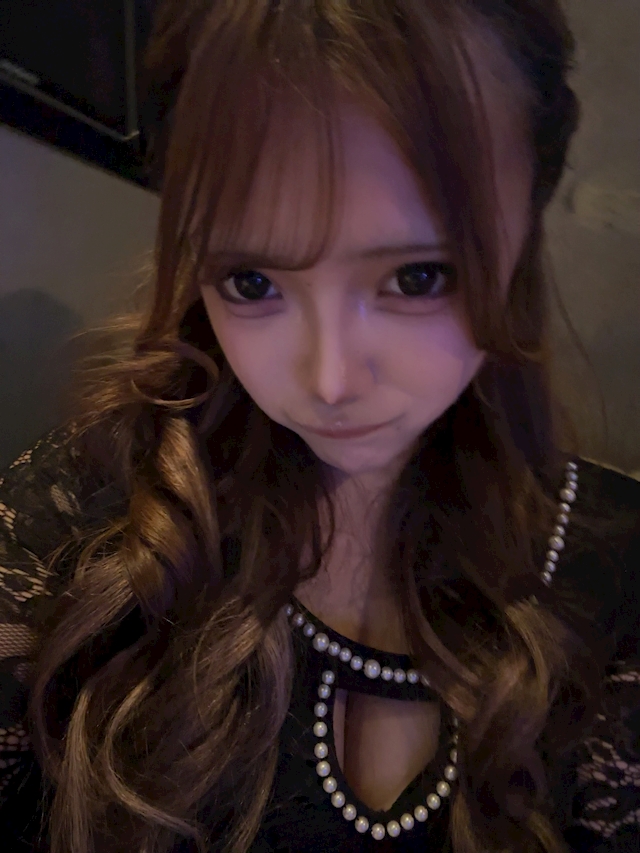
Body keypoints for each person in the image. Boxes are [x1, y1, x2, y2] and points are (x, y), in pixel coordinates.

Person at [0, 1, 638, 851]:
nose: (329, 381)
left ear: (530, 211)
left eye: (417, 276)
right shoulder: (78, 513)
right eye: (252, 283)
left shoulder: (620, 589)